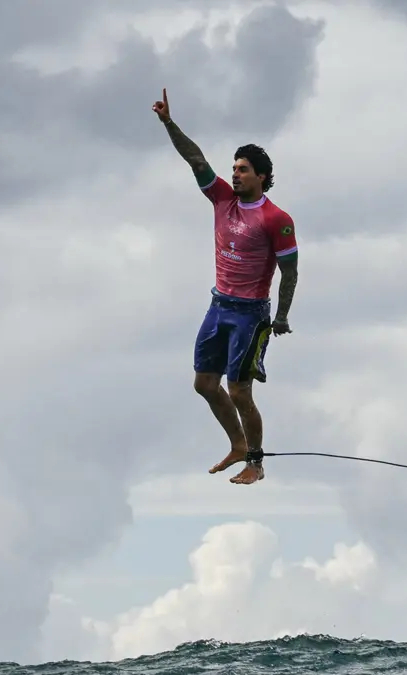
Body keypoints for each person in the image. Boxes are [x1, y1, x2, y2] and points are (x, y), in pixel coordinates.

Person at [152, 88, 299, 486]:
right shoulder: (222, 199)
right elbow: (196, 159)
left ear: (261, 177)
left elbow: (290, 271)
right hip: (219, 306)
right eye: (234, 168)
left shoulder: (276, 218)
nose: (235, 174)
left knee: (239, 391)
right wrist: (168, 123)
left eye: (243, 169)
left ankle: (256, 462)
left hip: (250, 314)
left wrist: (282, 316)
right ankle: (237, 444)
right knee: (204, 384)